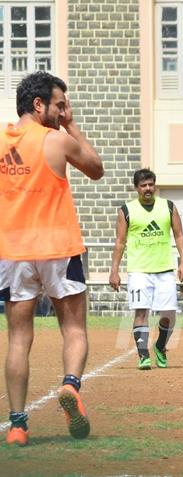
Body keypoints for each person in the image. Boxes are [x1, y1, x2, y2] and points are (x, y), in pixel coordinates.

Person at [0, 71, 104, 445]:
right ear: (39, 104)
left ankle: (16, 426)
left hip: (13, 254)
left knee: (17, 340)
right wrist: (73, 127)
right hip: (59, 249)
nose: (63, 112)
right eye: (59, 105)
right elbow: (96, 168)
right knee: (74, 329)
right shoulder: (57, 141)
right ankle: (71, 386)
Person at [109, 168, 183, 371]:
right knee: (141, 312)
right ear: (136, 188)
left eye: (151, 184)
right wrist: (114, 270)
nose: (148, 188)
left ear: (155, 185)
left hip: (164, 270)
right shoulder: (126, 210)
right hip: (139, 270)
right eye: (143, 185)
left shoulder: (168, 207)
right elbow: (120, 242)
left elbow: (179, 235)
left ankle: (160, 347)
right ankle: (143, 355)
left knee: (169, 314)